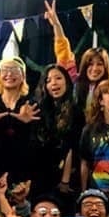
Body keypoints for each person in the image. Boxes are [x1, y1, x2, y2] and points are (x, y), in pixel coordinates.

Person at [0, 56, 38, 186]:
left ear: (23, 76)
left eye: (15, 70)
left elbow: (35, 143)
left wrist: (27, 124)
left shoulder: (30, 105)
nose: (9, 74)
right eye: (5, 70)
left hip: (21, 170)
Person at [32, 64, 85, 195]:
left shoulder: (76, 111)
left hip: (66, 177)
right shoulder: (39, 110)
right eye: (48, 80)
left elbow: (72, 147)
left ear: (67, 82)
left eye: (58, 78)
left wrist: (65, 180)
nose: (54, 83)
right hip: (41, 174)